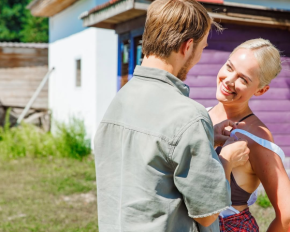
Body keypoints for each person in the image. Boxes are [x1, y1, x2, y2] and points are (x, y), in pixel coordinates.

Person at [94, 0, 250, 231]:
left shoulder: (119, 101)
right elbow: (207, 214)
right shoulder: (189, 116)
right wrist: (225, 159)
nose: (199, 57)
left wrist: (203, 139)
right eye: (202, 47)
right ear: (187, 47)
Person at [207, 38, 290, 232]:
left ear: (261, 90)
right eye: (229, 67)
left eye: (243, 79)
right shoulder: (202, 114)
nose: (229, 80)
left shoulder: (254, 137)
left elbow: (287, 217)